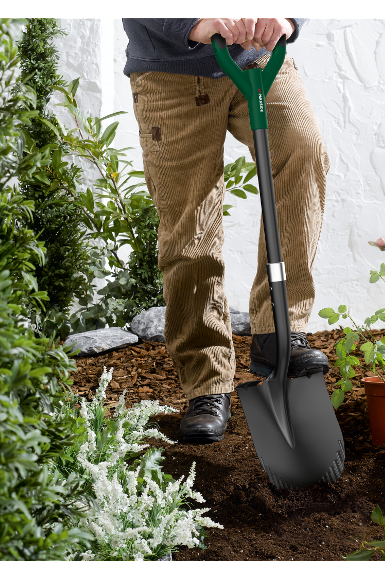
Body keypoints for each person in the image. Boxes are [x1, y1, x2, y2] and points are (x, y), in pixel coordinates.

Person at [122, 18, 331, 444]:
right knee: (190, 225)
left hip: (257, 60)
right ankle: (207, 384)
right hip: (171, 73)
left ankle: (279, 330)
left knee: (302, 151)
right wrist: (190, 23)